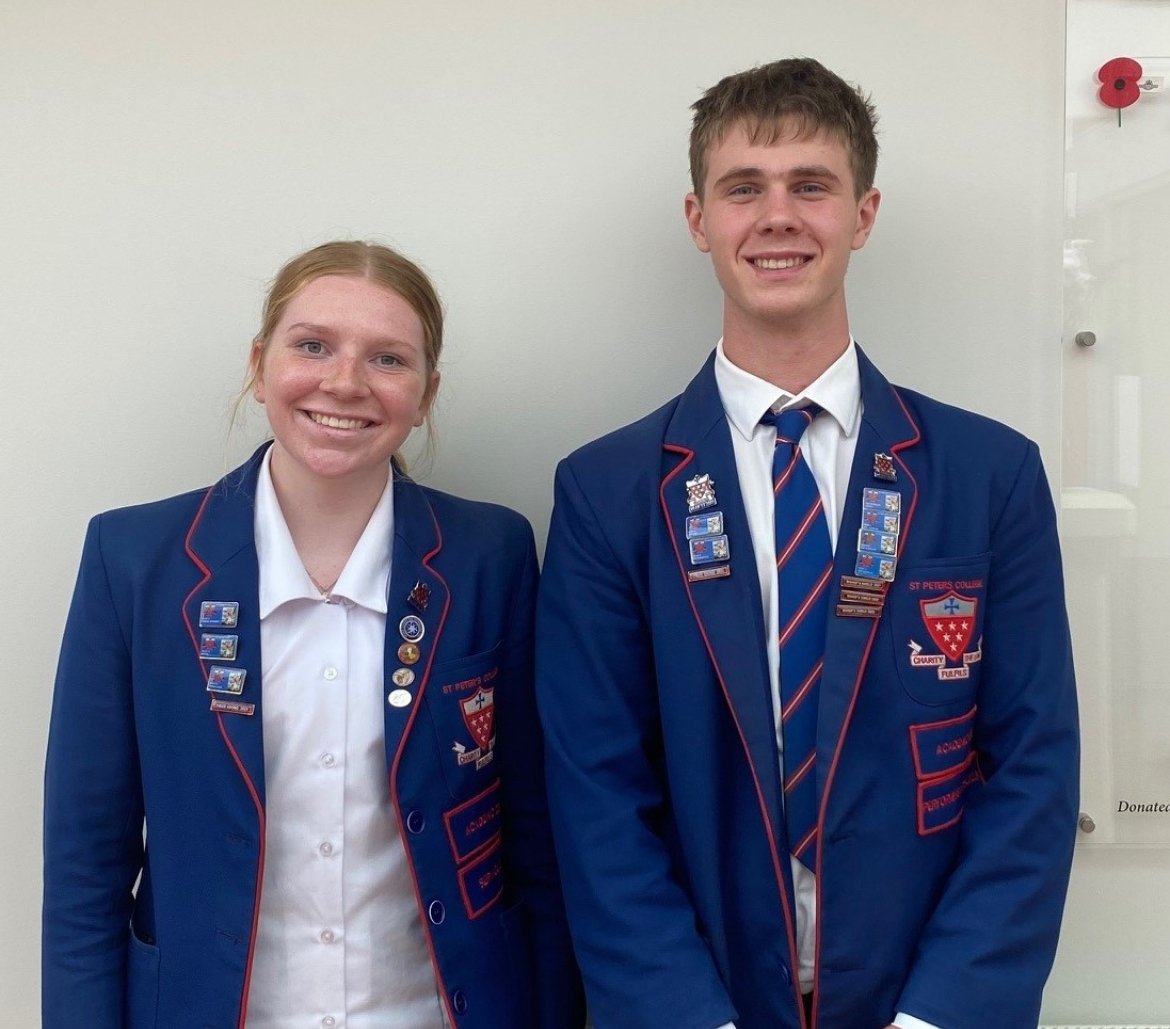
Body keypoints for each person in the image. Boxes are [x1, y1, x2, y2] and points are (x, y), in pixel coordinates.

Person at [536, 58, 1078, 1029]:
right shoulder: (606, 493)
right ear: (699, 220)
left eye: (811, 186)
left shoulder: (989, 477)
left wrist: (941, 1017)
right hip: (701, 1002)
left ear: (863, 215)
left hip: (923, 1001)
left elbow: (1033, 771)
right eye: (744, 187)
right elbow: (595, 798)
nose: (777, 216)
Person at [43, 240, 585, 1029]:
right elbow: (85, 873)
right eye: (313, 345)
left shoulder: (490, 557)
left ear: (426, 393)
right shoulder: (135, 562)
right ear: (260, 364)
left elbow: (535, 845)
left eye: (388, 358)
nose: (345, 382)